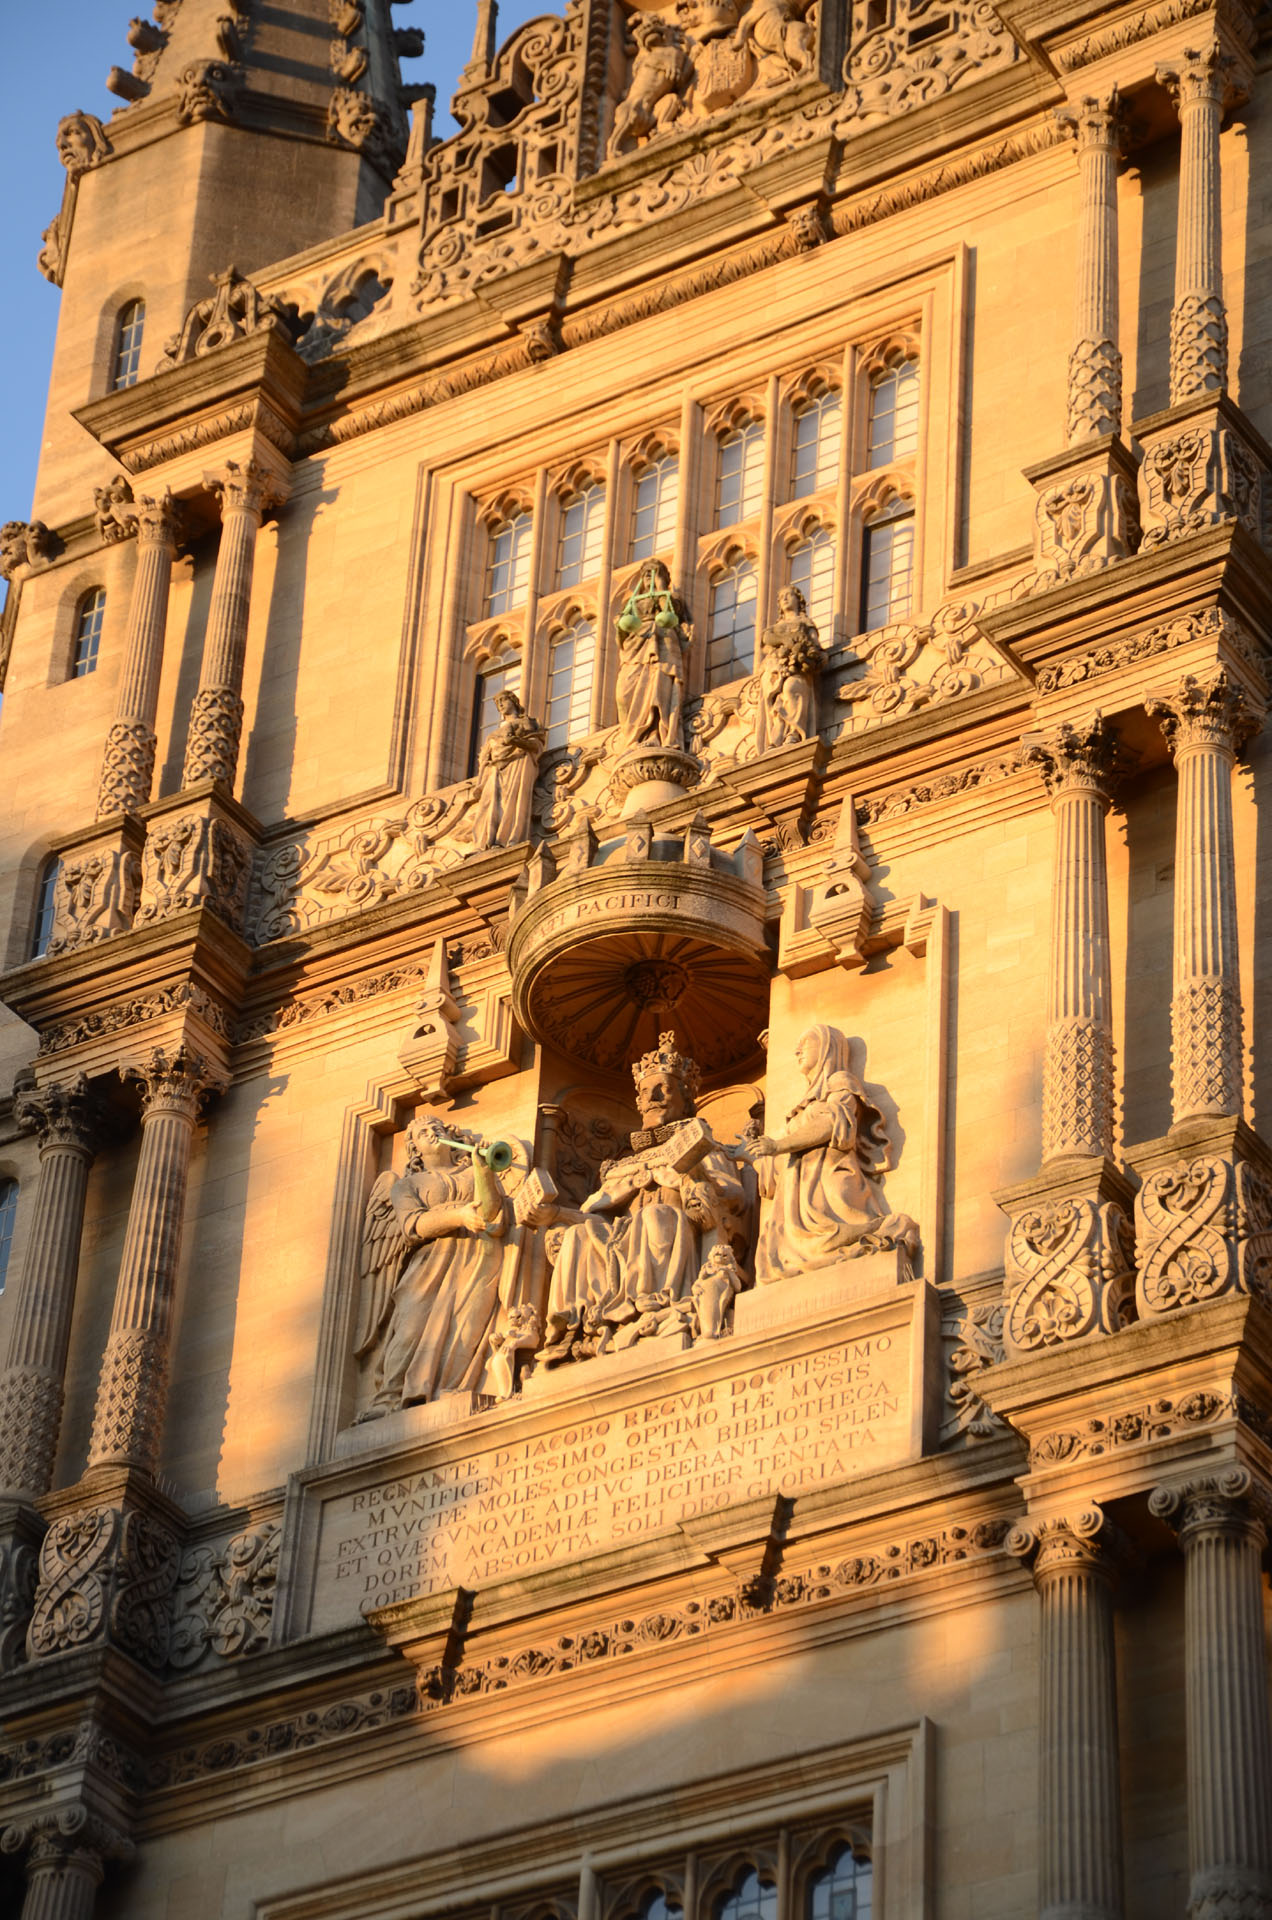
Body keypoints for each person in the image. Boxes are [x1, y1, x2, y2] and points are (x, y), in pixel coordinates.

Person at [522, 1032, 745, 1356]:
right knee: (576, 1237)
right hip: (621, 1241)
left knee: (654, 1216)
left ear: (685, 1099)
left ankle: (652, 1310)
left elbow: (732, 1200)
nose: (653, 1097)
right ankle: (572, 1330)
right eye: (645, 1091)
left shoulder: (707, 1150)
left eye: (663, 1088)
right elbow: (594, 1215)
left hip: (675, 1228)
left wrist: (694, 1174)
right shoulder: (623, 1165)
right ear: (638, 1102)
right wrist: (554, 1214)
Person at [355, 1119, 509, 1415]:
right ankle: (390, 1396)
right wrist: (458, 1217)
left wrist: (484, 1172)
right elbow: (413, 1226)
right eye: (423, 1133)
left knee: (467, 1326)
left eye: (438, 1129)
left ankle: (451, 1388)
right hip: (430, 1263)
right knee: (411, 1328)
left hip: (477, 1257)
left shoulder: (471, 1173)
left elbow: (491, 1211)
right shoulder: (406, 1186)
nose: (433, 1134)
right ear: (415, 1147)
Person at [743, 1024, 914, 1282]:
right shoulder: (808, 1099)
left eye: (805, 1044)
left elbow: (832, 1124)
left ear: (826, 1048)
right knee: (796, 1252)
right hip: (798, 1192)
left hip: (829, 1180)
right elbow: (781, 1165)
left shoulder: (840, 1082)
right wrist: (748, 1155)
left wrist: (778, 1145)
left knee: (835, 1236)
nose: (797, 1051)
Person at [613, 561, 693, 753]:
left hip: (663, 642)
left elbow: (670, 611)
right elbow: (621, 633)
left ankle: (655, 735)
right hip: (635, 645)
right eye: (646, 573)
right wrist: (620, 624)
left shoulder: (670, 597)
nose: (649, 575)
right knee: (623, 693)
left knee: (658, 691)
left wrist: (660, 587)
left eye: (654, 572)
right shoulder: (633, 603)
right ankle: (632, 738)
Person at [462, 689, 545, 848]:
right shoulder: (493, 734)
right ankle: (486, 842)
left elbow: (535, 745)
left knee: (513, 801)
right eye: (497, 703)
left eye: (503, 700)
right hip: (494, 770)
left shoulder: (527, 722)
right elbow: (485, 759)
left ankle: (507, 840)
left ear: (513, 701)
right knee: (488, 805)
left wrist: (515, 741)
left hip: (518, 762)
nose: (500, 705)